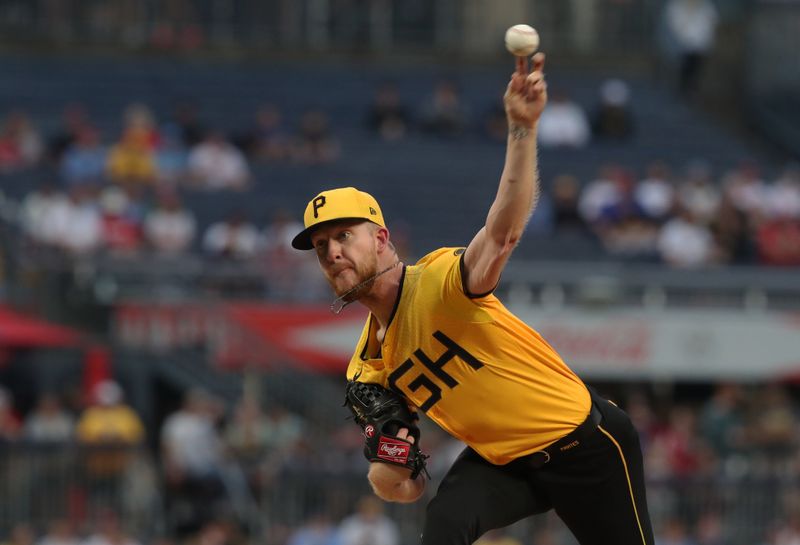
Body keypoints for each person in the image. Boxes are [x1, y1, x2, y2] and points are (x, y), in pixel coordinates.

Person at [291, 53, 654, 545]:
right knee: (445, 523)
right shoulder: (366, 370)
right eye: (320, 247)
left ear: (380, 238)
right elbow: (402, 487)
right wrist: (391, 462)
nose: (332, 252)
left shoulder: (438, 281)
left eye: (343, 236)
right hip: (503, 461)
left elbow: (502, 233)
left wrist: (522, 130)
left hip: (584, 443)